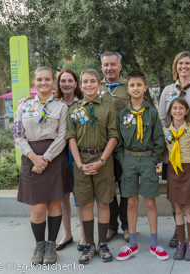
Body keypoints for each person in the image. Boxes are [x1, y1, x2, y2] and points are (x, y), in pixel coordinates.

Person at [14, 67, 71, 265]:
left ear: (52, 82)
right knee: (37, 208)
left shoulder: (61, 107)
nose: (43, 82)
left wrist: (44, 158)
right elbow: (17, 135)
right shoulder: (23, 106)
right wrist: (33, 157)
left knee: (54, 203)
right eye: (39, 79)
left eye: (47, 79)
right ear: (34, 81)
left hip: (54, 158)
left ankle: (51, 245)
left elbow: (62, 136)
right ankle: (39, 244)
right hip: (30, 158)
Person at [115, 71, 168, 262]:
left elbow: (159, 140)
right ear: (127, 88)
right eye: (132, 85)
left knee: (150, 202)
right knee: (130, 202)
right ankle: (132, 244)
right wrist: (123, 160)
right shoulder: (123, 114)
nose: (136, 88)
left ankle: (154, 244)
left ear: (145, 88)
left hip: (147, 160)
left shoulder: (152, 113)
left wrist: (152, 159)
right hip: (128, 160)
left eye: (139, 85)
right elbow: (118, 141)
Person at [66, 69, 118, 264]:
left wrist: (102, 160)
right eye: (85, 81)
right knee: (86, 203)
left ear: (99, 84)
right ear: (81, 85)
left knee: (104, 202)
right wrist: (79, 164)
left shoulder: (108, 108)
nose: (88, 85)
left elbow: (113, 136)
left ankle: (103, 243)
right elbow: (71, 137)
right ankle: (89, 245)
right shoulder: (74, 109)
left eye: (92, 81)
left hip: (103, 159)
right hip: (82, 161)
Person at [158, 50, 190, 249]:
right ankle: (179, 232)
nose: (184, 67)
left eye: (188, 63)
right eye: (180, 63)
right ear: (175, 66)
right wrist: (164, 148)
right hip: (172, 147)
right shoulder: (168, 90)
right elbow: (162, 119)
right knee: (176, 191)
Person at [163, 98, 190, 261]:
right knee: (178, 209)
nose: (177, 111)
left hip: (189, 169)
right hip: (173, 170)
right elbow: (162, 145)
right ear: (170, 111)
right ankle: (181, 242)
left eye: (181, 108)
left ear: (186, 111)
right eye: (174, 108)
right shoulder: (165, 131)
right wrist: (163, 152)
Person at [99, 52, 129, 243]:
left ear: (119, 66)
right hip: (103, 148)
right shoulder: (95, 86)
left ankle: (126, 225)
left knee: (125, 187)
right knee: (108, 188)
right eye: (105, 65)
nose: (109, 68)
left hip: (125, 147)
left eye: (113, 64)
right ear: (102, 67)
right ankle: (111, 226)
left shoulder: (129, 87)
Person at [54, 69, 86, 252]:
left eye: (70, 80)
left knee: (80, 195)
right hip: (59, 154)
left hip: (78, 153)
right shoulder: (54, 104)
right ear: (58, 84)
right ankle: (67, 234)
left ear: (76, 83)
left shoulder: (82, 103)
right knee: (63, 196)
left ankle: (83, 234)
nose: (66, 84)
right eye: (62, 81)